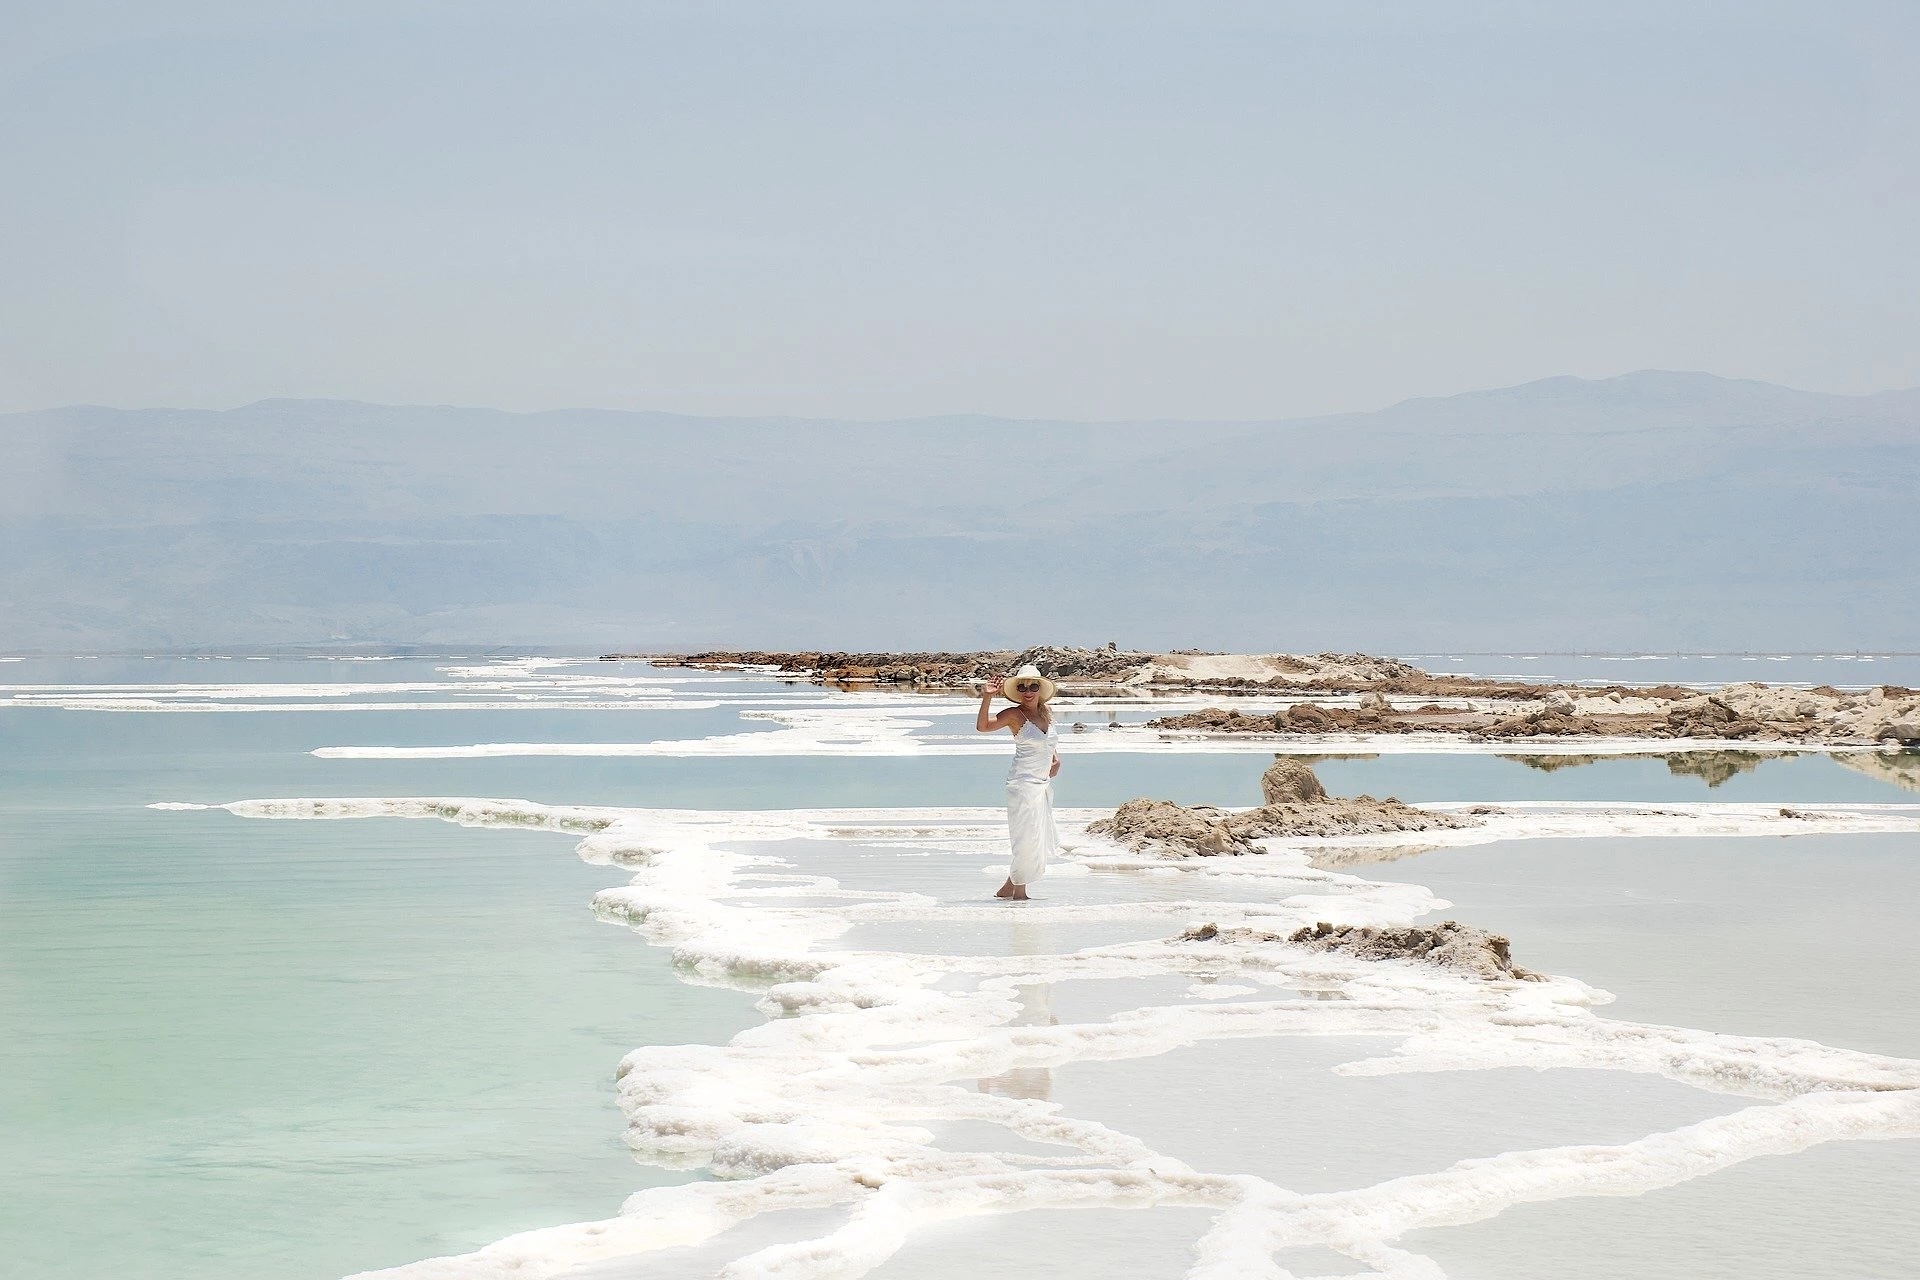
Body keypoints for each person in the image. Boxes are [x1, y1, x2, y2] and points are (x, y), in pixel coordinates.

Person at [975, 663, 1060, 900]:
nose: (1028, 691)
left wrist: (1056, 759)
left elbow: (1048, 741)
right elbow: (982, 727)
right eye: (1022, 687)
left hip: (1041, 784)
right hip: (1022, 784)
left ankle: (1007, 889)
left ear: (1040, 688)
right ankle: (1020, 893)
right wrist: (987, 697)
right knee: (1025, 838)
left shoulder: (1046, 713)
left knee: (1036, 837)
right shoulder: (1014, 714)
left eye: (1033, 686)